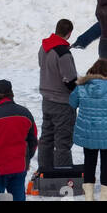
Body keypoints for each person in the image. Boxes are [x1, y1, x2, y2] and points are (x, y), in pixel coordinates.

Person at [69, 58, 107, 202]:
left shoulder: (82, 86)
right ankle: (105, 197)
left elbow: (72, 102)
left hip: (88, 131)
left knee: (89, 163)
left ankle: (89, 197)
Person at [37, 18, 77, 175]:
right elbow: (69, 79)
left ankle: (44, 171)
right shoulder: (63, 52)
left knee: (46, 138)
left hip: (46, 99)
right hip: (62, 103)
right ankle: (62, 175)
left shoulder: (43, 47)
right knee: (63, 142)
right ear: (69, 33)